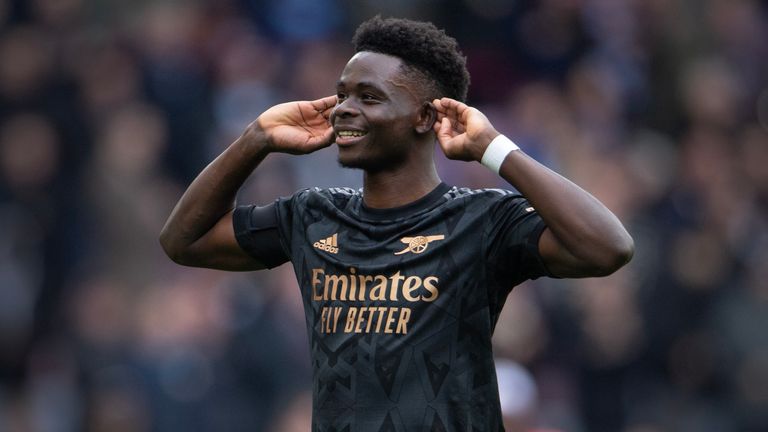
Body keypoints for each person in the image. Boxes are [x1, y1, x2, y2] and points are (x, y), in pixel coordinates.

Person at [159, 16, 634, 431]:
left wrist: (495, 150)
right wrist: (254, 140)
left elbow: (608, 247)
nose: (345, 108)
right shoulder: (312, 215)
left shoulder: (482, 219)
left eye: (369, 97)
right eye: (342, 94)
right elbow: (184, 241)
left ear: (426, 117)